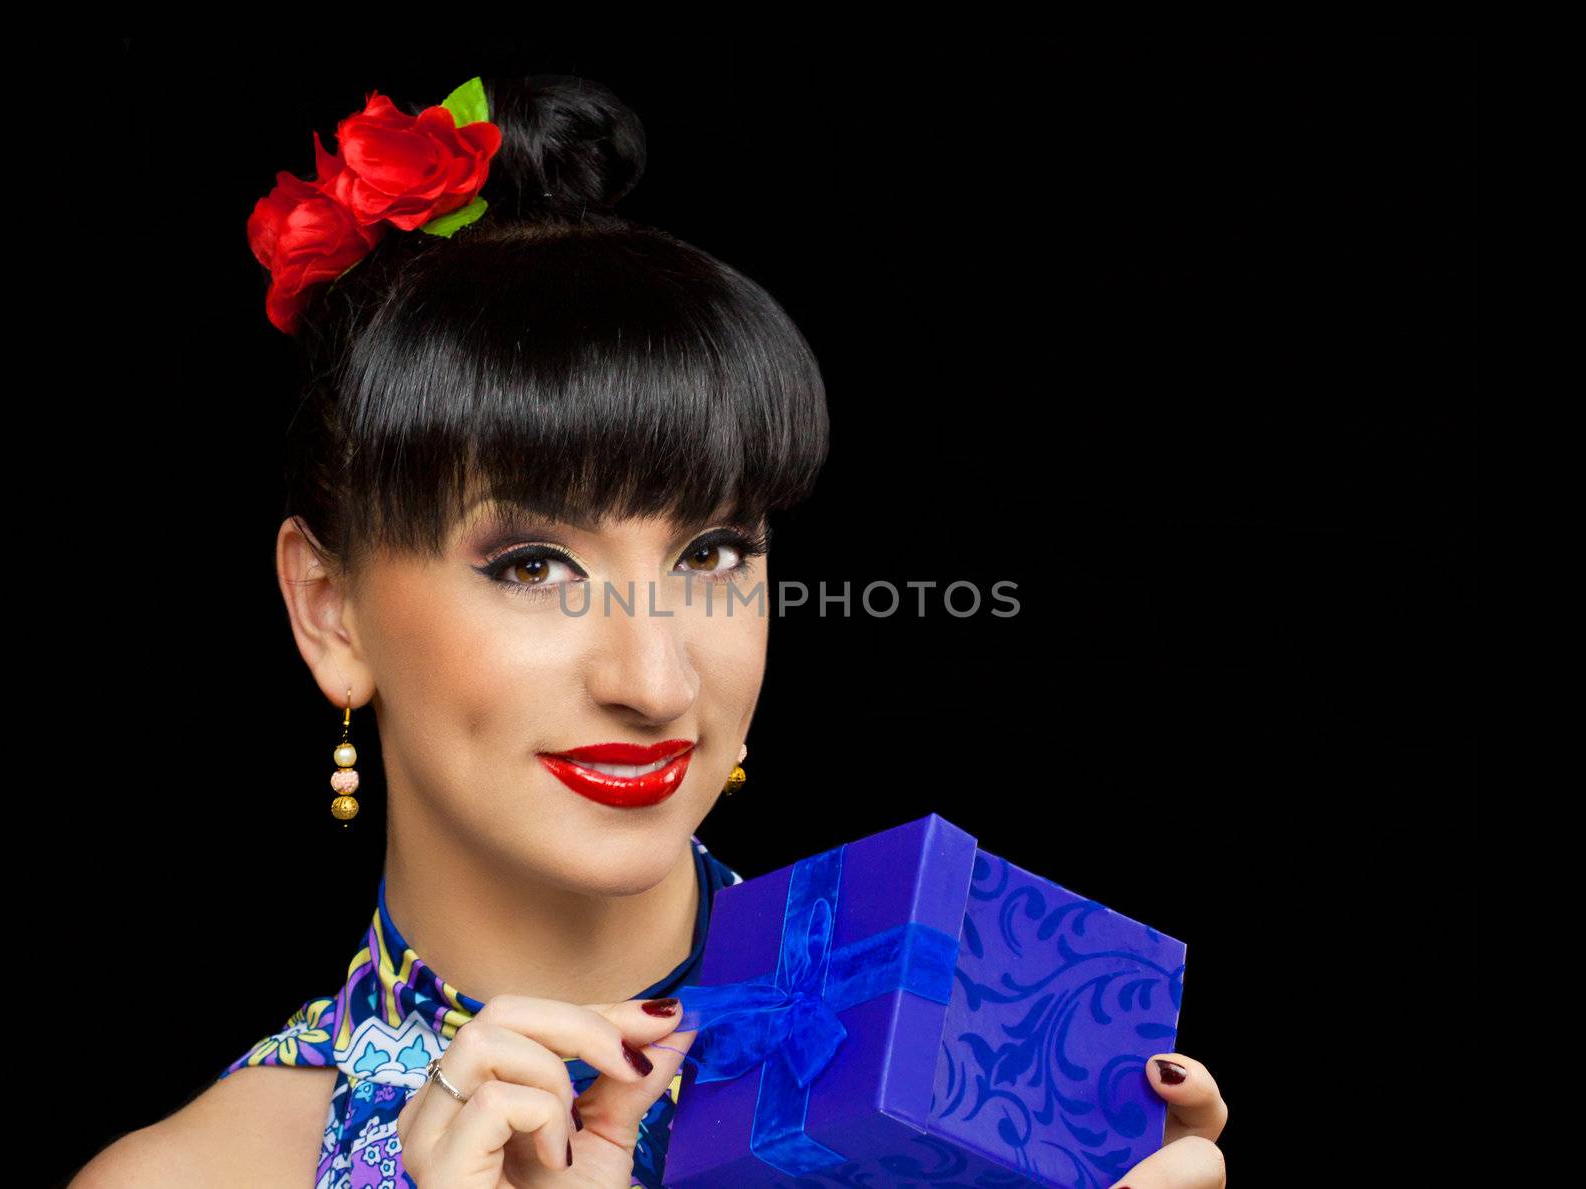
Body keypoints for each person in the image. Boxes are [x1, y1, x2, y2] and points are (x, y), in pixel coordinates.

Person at [72, 71, 1227, 1189]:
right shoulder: (194, 1177)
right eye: (532, 564)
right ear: (329, 611)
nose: (656, 677)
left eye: (713, 553)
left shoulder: (987, 1066)